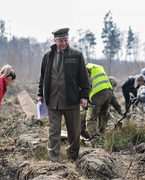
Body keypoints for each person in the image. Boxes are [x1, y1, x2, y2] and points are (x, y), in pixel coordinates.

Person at [37, 28, 90, 162]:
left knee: (74, 132)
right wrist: (40, 94)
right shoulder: (47, 56)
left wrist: (84, 96)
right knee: (54, 131)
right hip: (53, 100)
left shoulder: (76, 55)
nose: (64, 43)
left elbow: (84, 78)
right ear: (55, 40)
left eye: (66, 40)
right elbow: (42, 77)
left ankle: (73, 157)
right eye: (61, 41)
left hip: (71, 100)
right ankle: (54, 159)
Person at [85, 63, 112, 139]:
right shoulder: (96, 66)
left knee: (91, 119)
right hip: (108, 92)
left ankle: (96, 141)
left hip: (97, 93)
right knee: (102, 114)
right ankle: (103, 137)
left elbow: (86, 83)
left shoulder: (85, 68)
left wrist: (85, 97)